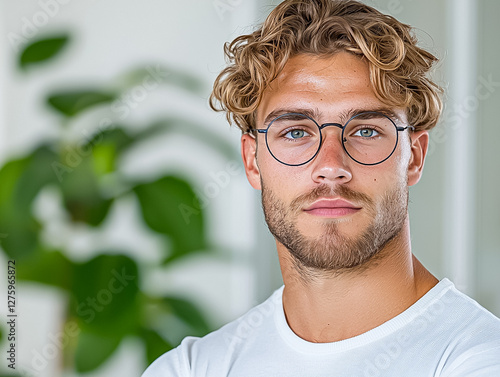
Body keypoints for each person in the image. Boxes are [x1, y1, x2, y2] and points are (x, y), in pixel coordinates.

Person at [142, 0, 500, 375]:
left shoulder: (476, 360)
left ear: (413, 157)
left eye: (365, 131)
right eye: (295, 132)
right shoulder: (191, 369)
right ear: (253, 161)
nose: (331, 166)